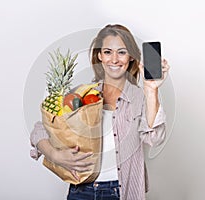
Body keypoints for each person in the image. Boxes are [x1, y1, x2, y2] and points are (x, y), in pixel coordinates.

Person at [30, 24, 170, 200]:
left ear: (131, 58)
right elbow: (41, 129)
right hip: (81, 191)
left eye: (122, 52)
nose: (114, 59)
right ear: (99, 56)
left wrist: (151, 90)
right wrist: (55, 154)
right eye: (107, 52)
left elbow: (154, 138)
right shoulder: (81, 94)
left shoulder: (141, 98)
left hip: (123, 192)